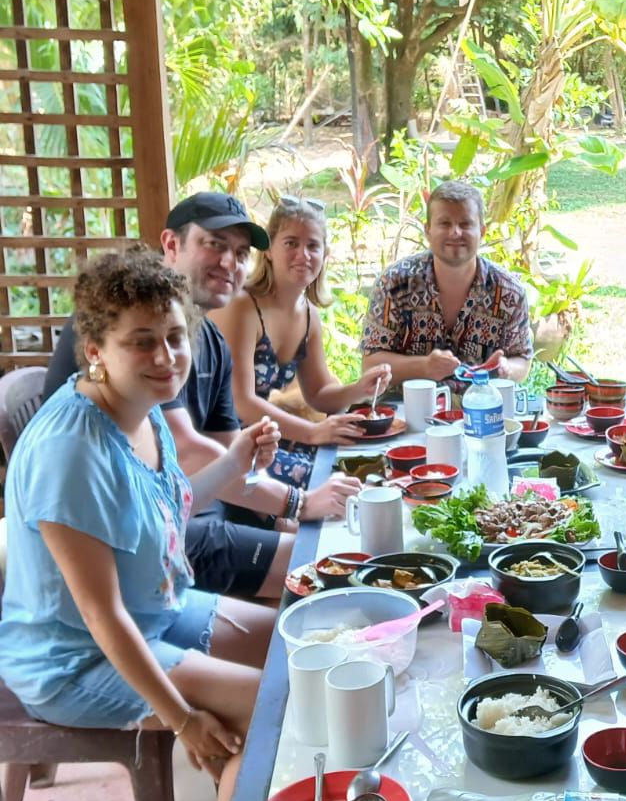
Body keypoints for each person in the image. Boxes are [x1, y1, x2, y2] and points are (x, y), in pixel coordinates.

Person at [0, 248, 278, 801]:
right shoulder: (70, 451)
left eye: (176, 336)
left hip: (151, 607)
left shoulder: (143, 408)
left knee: (292, 646)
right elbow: (101, 616)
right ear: (96, 350)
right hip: (77, 658)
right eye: (141, 341)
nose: (166, 356)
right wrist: (182, 719)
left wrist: (234, 463)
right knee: (275, 712)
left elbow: (168, 509)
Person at [43, 192, 362, 600]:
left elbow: (232, 454)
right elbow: (186, 450)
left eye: (241, 253)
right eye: (214, 244)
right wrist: (297, 502)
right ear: (171, 244)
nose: (229, 262)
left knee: (331, 544)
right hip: (132, 535)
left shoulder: (209, 338)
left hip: (192, 505)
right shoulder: (127, 327)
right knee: (326, 568)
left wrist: (282, 510)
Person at [209, 196, 392, 487]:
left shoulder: (308, 314)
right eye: (291, 243)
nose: (303, 255)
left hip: (266, 438)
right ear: (269, 250)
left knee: (374, 466)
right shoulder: (242, 307)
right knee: (331, 480)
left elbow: (318, 393)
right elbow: (241, 402)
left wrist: (359, 389)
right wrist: (312, 432)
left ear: (324, 255)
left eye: (313, 246)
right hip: (224, 445)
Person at [360, 179, 532, 392]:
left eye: (465, 224)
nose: (455, 232)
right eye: (445, 223)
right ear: (428, 231)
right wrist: (424, 367)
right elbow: (370, 363)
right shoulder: (395, 283)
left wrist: (506, 368)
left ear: (482, 231)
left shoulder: (509, 291)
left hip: (481, 405)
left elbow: (522, 360)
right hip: (406, 407)